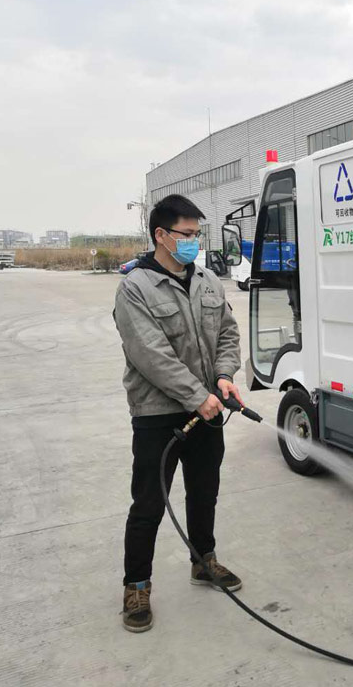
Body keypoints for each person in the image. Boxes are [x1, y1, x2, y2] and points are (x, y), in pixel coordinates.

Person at [113, 194, 245, 633]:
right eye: (186, 234)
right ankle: (136, 585)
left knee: (204, 492)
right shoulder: (135, 288)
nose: (193, 242)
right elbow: (150, 354)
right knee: (150, 503)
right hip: (158, 415)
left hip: (208, 407)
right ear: (161, 235)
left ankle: (203, 561)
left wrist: (223, 376)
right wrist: (196, 396)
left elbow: (227, 333)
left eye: (197, 235)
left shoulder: (207, 281)